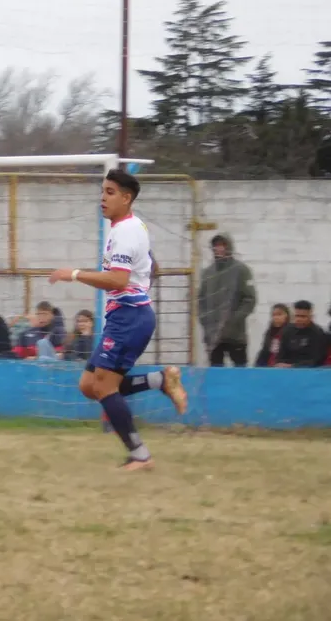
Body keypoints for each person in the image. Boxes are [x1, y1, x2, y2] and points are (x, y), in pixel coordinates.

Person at [48, 168, 187, 471]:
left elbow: (118, 280)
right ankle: (160, 380)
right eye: (102, 191)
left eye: (110, 192)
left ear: (126, 198)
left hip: (130, 317)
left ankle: (140, 455)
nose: (102, 198)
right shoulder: (130, 226)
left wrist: (73, 274)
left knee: (104, 387)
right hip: (125, 317)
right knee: (89, 385)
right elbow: (147, 266)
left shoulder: (125, 231)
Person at [197, 233, 256, 367]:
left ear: (229, 246)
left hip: (235, 335)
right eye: (216, 245)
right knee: (216, 371)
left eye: (222, 245)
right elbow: (201, 300)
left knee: (240, 371)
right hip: (213, 336)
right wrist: (204, 320)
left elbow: (250, 299)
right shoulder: (207, 273)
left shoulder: (241, 270)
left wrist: (233, 320)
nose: (219, 248)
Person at [275, 300, 328, 368]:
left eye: (303, 316)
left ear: (311, 317)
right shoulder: (287, 331)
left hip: (309, 371)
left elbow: (317, 360)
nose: (299, 319)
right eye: (297, 316)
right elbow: (280, 357)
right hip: (286, 371)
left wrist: (293, 366)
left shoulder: (318, 333)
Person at [254, 303, 289, 368]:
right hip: (268, 367)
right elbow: (264, 351)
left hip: (283, 368)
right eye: (274, 315)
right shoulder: (269, 332)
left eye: (279, 314)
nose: (276, 317)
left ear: (286, 316)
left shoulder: (290, 332)